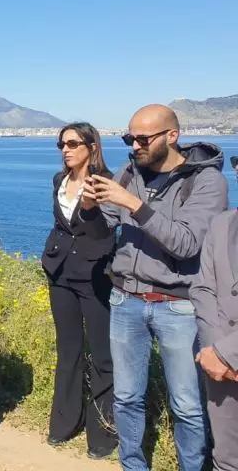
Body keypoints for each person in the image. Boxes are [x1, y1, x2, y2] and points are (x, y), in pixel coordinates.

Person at [81, 104, 228, 471]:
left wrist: (134, 204)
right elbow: (103, 229)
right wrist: (89, 208)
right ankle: (132, 464)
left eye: (143, 139)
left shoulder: (207, 182)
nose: (135, 146)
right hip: (126, 299)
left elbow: (187, 244)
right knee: (127, 397)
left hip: (178, 305)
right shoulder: (131, 171)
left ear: (171, 136)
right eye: (129, 138)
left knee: (187, 405)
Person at [40, 123, 117, 459]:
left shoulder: (107, 182)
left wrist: (91, 207)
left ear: (92, 146)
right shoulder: (59, 180)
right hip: (60, 274)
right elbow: (62, 226)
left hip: (96, 275)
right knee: (68, 349)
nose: (65, 149)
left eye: (72, 143)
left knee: (102, 354)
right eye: (61, 144)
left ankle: (103, 432)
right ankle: (64, 422)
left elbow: (106, 231)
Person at [191, 171, 238, 471]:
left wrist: (227, 352)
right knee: (226, 458)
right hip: (221, 371)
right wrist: (215, 353)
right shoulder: (221, 224)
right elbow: (202, 289)